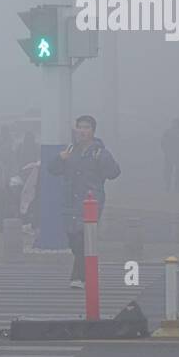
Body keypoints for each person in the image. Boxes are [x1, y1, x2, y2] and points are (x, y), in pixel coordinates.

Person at [48, 114, 121, 288]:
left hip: (90, 203)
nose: (82, 131)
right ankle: (87, 272)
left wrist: (102, 159)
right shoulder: (70, 150)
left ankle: (77, 277)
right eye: (80, 127)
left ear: (93, 131)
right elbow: (53, 169)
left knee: (83, 238)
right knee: (73, 239)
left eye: (86, 127)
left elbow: (114, 172)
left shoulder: (99, 152)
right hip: (69, 203)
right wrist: (60, 158)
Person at [161, 117, 179, 193]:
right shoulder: (168, 132)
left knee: (178, 173)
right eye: (174, 123)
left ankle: (177, 188)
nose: (175, 124)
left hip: (178, 156)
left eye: (176, 123)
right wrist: (166, 152)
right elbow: (163, 143)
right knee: (168, 172)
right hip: (170, 155)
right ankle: (168, 187)